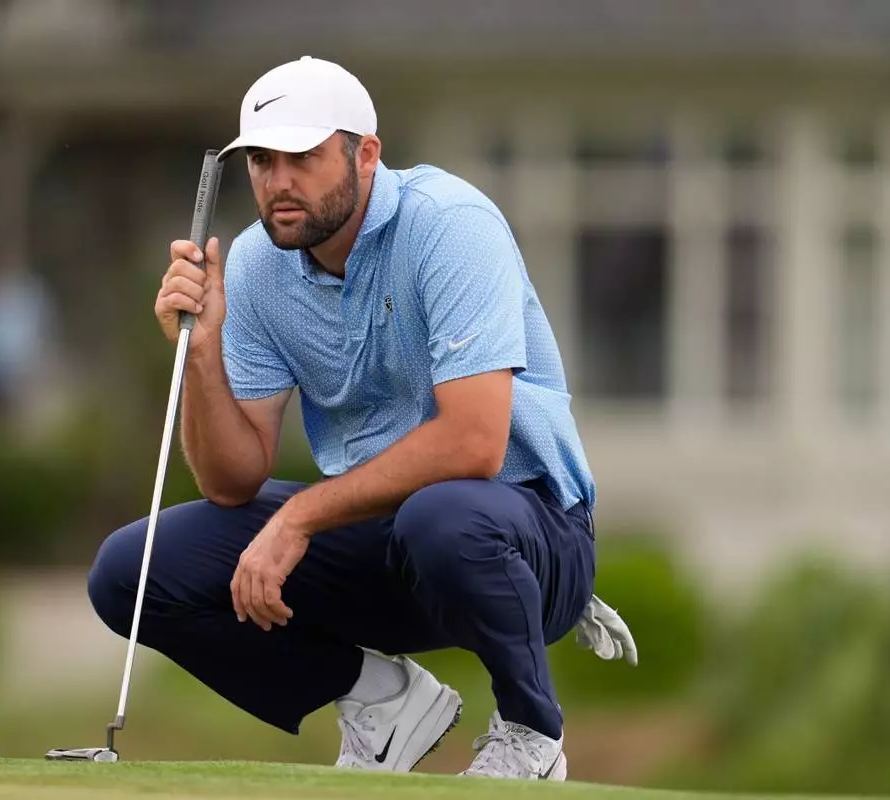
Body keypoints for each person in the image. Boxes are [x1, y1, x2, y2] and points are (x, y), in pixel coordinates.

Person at [87, 56, 636, 780]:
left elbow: (475, 443)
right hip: (379, 539)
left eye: (303, 157)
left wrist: (299, 518)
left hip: (528, 534)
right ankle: (381, 701)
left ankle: (533, 733)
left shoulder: (449, 225)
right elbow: (232, 479)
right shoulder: (255, 266)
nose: (278, 181)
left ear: (365, 154)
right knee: (131, 569)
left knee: (444, 519)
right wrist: (203, 353)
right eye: (261, 160)